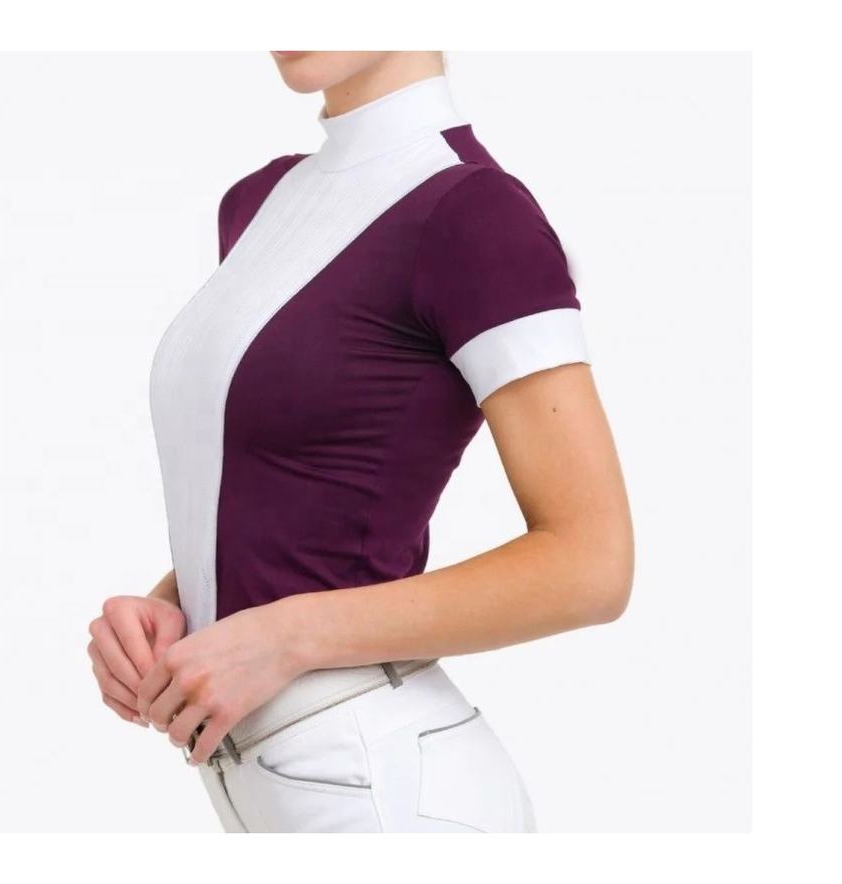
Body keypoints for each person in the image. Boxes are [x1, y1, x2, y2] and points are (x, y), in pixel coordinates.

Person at [86, 50, 634, 833]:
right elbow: (293, 497)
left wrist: (286, 636)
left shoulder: (476, 213)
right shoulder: (260, 201)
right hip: (270, 791)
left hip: (386, 787)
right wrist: (169, 609)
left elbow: (592, 566)